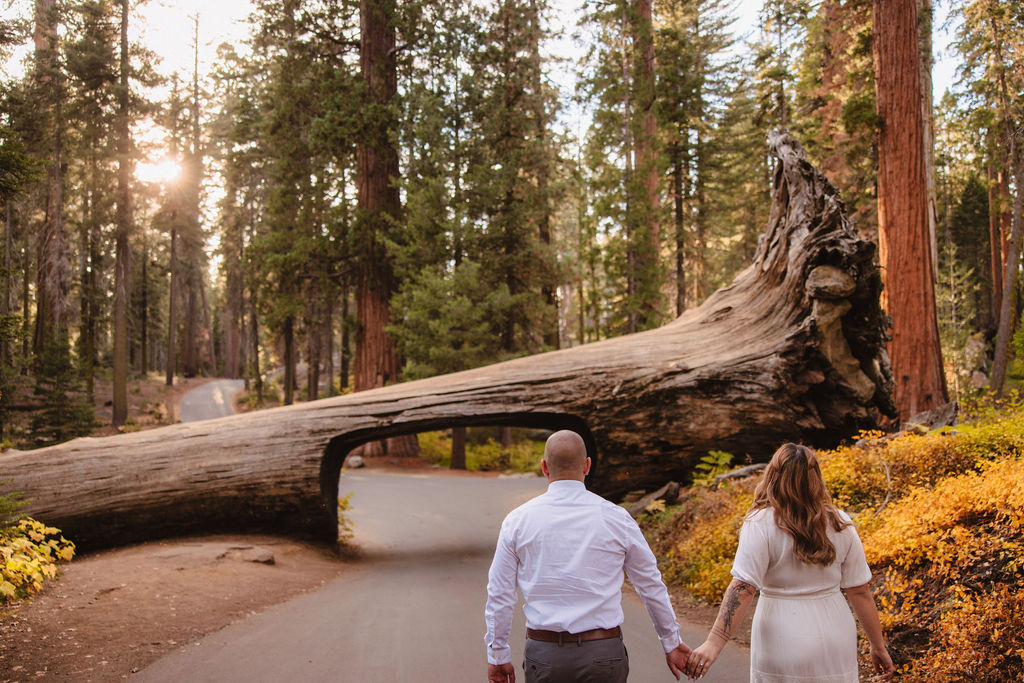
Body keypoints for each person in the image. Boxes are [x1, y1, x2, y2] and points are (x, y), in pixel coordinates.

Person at [484, 430, 692, 683]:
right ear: (587, 465)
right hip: (604, 655)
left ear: (544, 467)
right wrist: (672, 642)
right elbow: (650, 584)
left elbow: (500, 593)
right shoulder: (616, 518)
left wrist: (497, 655)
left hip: (545, 657)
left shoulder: (517, 521)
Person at [685, 443, 896, 682]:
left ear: (773, 476)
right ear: (816, 478)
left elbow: (743, 587)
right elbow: (860, 591)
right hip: (835, 633)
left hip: (781, 636)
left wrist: (713, 643)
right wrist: (878, 646)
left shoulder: (760, 523)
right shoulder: (840, 522)